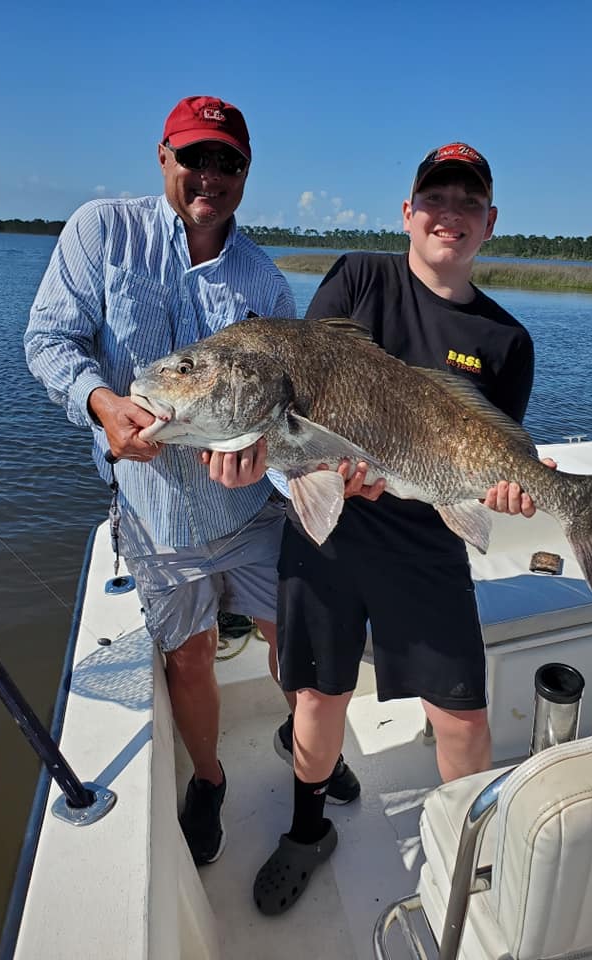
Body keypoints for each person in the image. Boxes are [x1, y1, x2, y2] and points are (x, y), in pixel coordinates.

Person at [24, 94, 359, 868]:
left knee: (291, 639)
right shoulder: (101, 231)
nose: (210, 174)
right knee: (192, 657)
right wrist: (101, 403)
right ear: (163, 157)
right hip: (156, 518)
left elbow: (290, 407)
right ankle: (208, 778)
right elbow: (48, 340)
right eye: (194, 156)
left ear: (245, 171)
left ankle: (309, 746)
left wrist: (269, 454)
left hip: (250, 511)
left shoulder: (265, 281)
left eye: (228, 161)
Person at [252, 142, 555, 915]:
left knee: (462, 714)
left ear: (489, 222)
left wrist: (511, 489)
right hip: (333, 533)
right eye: (435, 199)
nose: (448, 214)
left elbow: (495, 454)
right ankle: (307, 828)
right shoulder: (359, 277)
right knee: (318, 697)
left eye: (466, 202)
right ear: (408, 213)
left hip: (426, 542)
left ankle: (470, 855)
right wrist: (322, 465)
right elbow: (306, 378)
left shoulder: (506, 341)